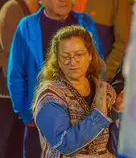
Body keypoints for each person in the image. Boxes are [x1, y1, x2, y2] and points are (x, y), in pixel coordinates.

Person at [7, 0, 105, 158]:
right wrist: (26, 115)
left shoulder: (84, 22)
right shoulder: (27, 26)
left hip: (83, 119)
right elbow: (16, 74)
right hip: (40, 118)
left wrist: (97, 105)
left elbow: (98, 65)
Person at [32, 26, 123, 157]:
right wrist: (99, 116)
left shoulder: (106, 91)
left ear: (90, 55)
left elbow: (118, 147)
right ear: (58, 60)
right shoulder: (50, 96)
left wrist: (118, 113)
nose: (73, 62)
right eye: (65, 56)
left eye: (79, 55)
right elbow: (64, 145)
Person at [0, 0, 44, 158]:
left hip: (29, 89)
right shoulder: (12, 9)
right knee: (7, 140)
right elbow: (11, 56)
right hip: (7, 92)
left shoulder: (39, 11)